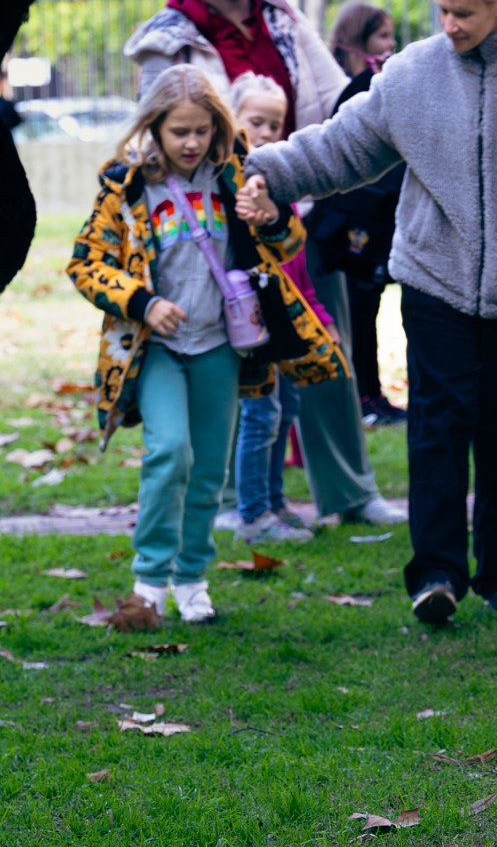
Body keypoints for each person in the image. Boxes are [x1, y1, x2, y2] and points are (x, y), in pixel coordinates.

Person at [238, 0, 497, 626]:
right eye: (443, 11)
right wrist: (269, 169)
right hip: (435, 282)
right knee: (437, 429)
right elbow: (342, 146)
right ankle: (437, 574)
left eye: (466, 14)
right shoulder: (413, 74)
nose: (449, 25)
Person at [123, 0, 398, 527]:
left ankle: (349, 492)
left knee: (324, 343)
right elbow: (159, 132)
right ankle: (224, 499)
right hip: (212, 223)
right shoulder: (171, 39)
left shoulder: (281, 18)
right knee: (226, 358)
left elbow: (332, 100)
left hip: (296, 208)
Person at [66, 66, 347, 621]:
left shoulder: (237, 174)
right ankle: (148, 580)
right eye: (178, 132)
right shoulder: (127, 186)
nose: (191, 143)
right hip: (159, 349)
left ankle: (192, 576)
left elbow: (289, 239)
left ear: (217, 127)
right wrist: (143, 302)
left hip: (222, 345)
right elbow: (86, 263)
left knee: (209, 470)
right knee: (170, 451)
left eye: (200, 130)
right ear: (156, 128)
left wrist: (269, 216)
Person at [229, 73, 338, 545]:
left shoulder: (281, 187)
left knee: (286, 405)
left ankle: (273, 503)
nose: (267, 133)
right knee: (260, 413)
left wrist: (321, 317)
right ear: (233, 122)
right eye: (256, 121)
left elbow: (296, 266)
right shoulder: (233, 191)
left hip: (289, 322)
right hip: (252, 324)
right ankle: (252, 515)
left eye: (275, 124)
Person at [305, 1, 407, 427]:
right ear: (357, 41)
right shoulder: (355, 90)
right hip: (351, 226)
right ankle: (360, 397)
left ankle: (373, 393)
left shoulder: (380, 83)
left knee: (369, 311)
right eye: (382, 36)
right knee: (355, 313)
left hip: (377, 221)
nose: (391, 45)